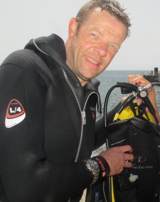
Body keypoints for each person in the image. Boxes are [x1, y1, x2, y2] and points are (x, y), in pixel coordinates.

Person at [0, 0, 134, 201]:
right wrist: (102, 165)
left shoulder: (84, 89)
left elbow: (78, 138)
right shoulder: (26, 71)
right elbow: (24, 188)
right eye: (95, 35)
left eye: (113, 46)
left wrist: (124, 106)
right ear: (74, 28)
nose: (102, 51)